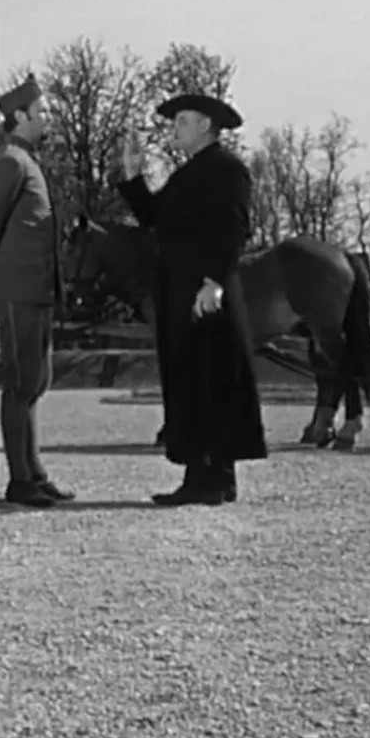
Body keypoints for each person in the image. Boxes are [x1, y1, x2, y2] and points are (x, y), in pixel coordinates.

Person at [116, 94, 267, 506]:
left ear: (204, 125)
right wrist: (133, 178)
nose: (175, 128)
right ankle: (201, 475)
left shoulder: (227, 170)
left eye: (182, 121)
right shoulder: (188, 174)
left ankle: (216, 476)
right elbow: (155, 217)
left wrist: (215, 280)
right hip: (181, 290)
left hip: (206, 291)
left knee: (213, 378)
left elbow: (234, 229)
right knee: (191, 380)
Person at [0, 75, 72, 507]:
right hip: (15, 290)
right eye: (41, 112)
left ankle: (34, 472)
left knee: (35, 382)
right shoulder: (10, 163)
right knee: (23, 383)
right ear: (19, 117)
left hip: (34, 290)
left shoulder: (27, 162)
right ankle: (20, 480)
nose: (47, 119)